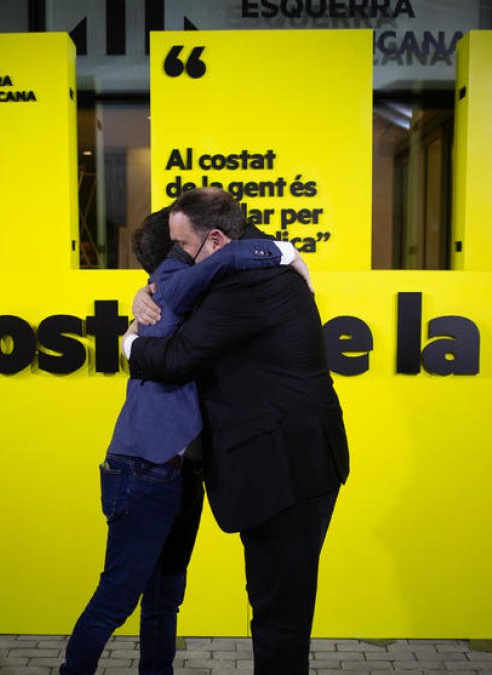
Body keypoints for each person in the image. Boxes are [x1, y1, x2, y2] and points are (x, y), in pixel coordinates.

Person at [61, 206, 308, 675]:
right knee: (117, 599)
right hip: (144, 471)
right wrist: (285, 250)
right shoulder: (172, 285)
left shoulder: (175, 291)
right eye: (182, 243)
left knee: (165, 597)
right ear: (173, 255)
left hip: (178, 472)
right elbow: (234, 256)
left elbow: (223, 260)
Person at [124, 187, 350, 675]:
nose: (177, 258)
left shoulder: (251, 282)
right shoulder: (241, 264)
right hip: (279, 464)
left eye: (182, 247)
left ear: (218, 239)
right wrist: (149, 292)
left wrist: (129, 343)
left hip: (289, 469)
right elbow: (186, 289)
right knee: (273, 605)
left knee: (280, 617)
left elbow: (178, 357)